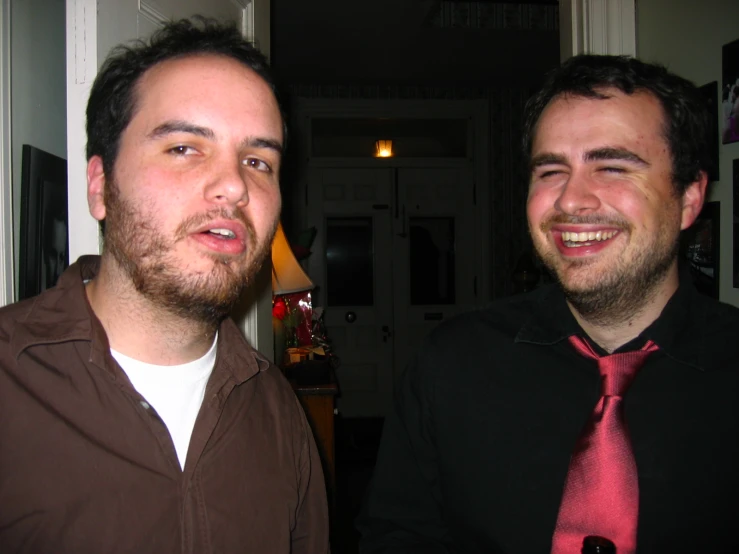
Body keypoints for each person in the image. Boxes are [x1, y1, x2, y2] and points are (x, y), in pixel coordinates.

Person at [357, 55, 739, 553]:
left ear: (689, 198)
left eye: (611, 166)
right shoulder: (449, 366)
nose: (571, 201)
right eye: (551, 170)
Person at [0, 18, 329, 553]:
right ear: (100, 186)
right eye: (183, 148)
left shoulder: (277, 409)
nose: (234, 185)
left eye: (257, 161)